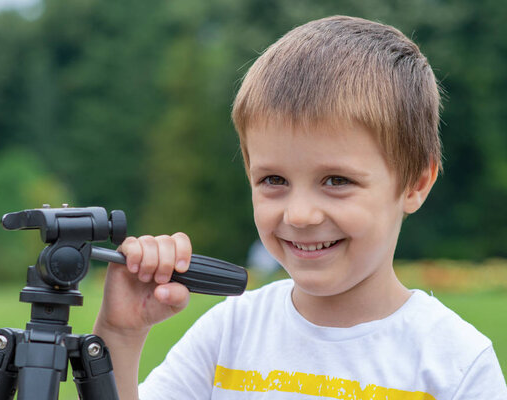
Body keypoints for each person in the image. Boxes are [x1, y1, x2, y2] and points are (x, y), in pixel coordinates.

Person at [93, 15, 507, 399]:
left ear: (415, 183)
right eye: (274, 180)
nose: (299, 215)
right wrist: (120, 334)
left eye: (337, 181)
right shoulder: (230, 332)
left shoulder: (456, 364)